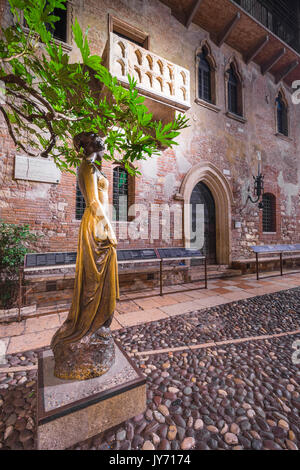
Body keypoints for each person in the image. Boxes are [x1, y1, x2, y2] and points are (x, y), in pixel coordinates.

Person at [51, 132, 119, 380]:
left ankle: (99, 322)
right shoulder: (86, 168)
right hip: (95, 225)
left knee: (103, 275)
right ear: (96, 146)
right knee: (94, 277)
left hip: (101, 223)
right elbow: (92, 201)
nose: (106, 146)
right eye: (103, 143)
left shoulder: (94, 167)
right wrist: (107, 229)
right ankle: (88, 324)